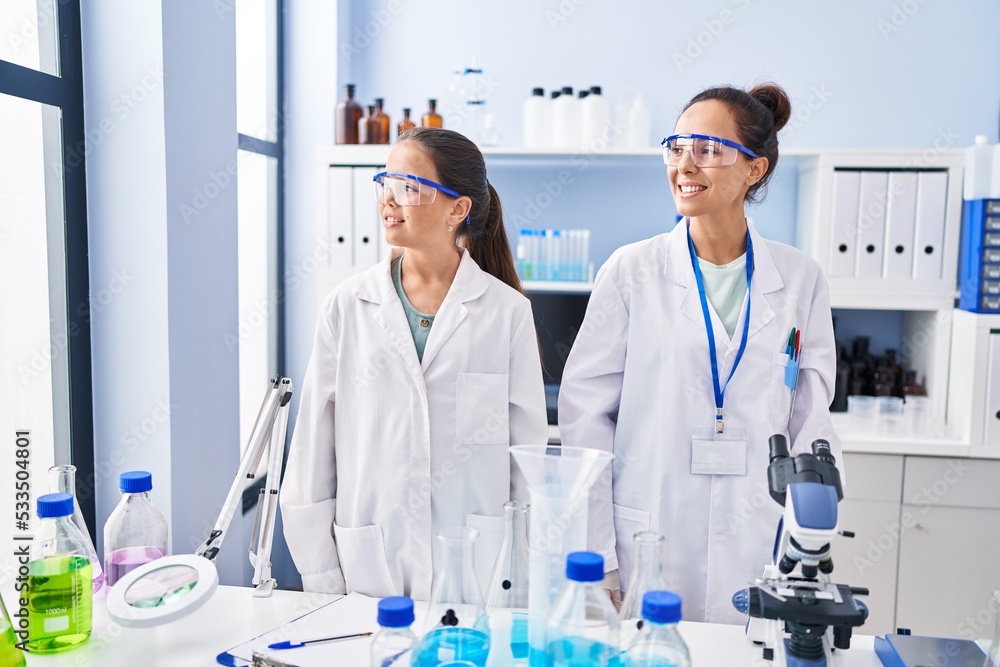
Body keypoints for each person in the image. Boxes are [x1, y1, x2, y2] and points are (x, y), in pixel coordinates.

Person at [558, 83, 841, 624]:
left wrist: (808, 541)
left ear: (753, 170)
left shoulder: (800, 278)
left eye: (708, 149)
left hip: (759, 529)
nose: (685, 164)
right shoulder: (631, 271)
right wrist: (600, 557)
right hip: (647, 528)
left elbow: (811, 417)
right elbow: (585, 420)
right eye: (677, 147)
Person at [281, 127, 547, 598]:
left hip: (478, 574)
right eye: (386, 183)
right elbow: (311, 454)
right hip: (365, 569)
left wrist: (519, 572)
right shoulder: (347, 307)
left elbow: (527, 459)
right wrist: (322, 578)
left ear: (457, 209)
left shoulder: (506, 312)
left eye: (409, 188)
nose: (389, 200)